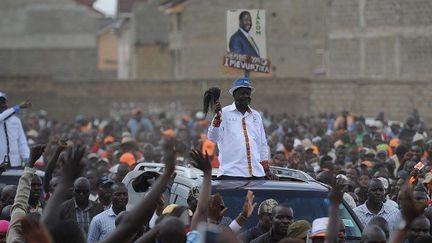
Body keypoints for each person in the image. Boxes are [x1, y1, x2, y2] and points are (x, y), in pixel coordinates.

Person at [208, 78, 274, 179]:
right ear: (234, 95)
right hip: (231, 174)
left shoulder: (256, 115)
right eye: (242, 93)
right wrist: (217, 119)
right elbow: (213, 138)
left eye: (248, 93)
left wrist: (266, 169)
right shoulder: (224, 113)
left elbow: (262, 144)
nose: (245, 96)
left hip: (257, 174)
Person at [0, 91, 31, 168]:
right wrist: (18, 107)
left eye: (3, 102)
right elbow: (1, 117)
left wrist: (26, 157)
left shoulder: (16, 120)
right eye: (0, 103)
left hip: (14, 161)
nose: (2, 105)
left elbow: (22, 141)